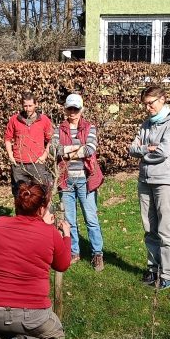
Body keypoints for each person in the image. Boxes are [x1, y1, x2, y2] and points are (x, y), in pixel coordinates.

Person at [0, 182, 72, 339]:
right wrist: (65, 235)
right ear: (42, 208)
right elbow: (62, 265)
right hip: (32, 314)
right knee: (57, 334)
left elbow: (20, 241)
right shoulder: (49, 233)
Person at [129, 85, 170, 289]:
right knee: (149, 228)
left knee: (166, 229)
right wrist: (146, 148)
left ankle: (169, 275)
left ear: (163, 99)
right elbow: (131, 148)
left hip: (165, 182)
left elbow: (162, 151)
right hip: (144, 181)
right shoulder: (146, 124)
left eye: (150, 103)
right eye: (145, 104)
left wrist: (144, 151)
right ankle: (154, 270)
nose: (147, 108)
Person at [52, 93, 105, 271]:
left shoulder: (90, 127)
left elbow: (90, 149)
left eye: (76, 109)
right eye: (70, 108)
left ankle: (97, 253)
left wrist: (66, 151)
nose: (73, 112)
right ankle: (74, 251)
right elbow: (54, 149)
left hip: (86, 179)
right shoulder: (58, 129)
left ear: (81, 109)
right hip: (65, 179)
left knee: (91, 218)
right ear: (65, 109)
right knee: (70, 220)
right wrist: (76, 148)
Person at [4, 92, 53, 197]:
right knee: (20, 196)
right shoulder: (14, 120)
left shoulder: (44, 120)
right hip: (19, 164)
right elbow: (7, 139)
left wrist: (44, 156)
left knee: (40, 195)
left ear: (36, 104)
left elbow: (50, 140)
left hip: (37, 163)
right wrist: (10, 156)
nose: (28, 108)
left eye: (30, 106)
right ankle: (21, 214)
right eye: (25, 106)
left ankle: (40, 214)